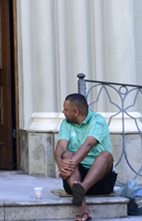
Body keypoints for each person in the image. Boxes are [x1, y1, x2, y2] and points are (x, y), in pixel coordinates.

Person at [54, 93, 116, 221]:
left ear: (75, 112)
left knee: (106, 155)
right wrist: (60, 162)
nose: (63, 112)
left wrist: (69, 165)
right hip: (74, 180)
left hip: (100, 182)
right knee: (66, 154)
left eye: (66, 110)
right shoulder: (66, 123)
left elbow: (88, 145)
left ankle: (81, 189)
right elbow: (61, 145)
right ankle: (82, 204)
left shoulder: (98, 121)